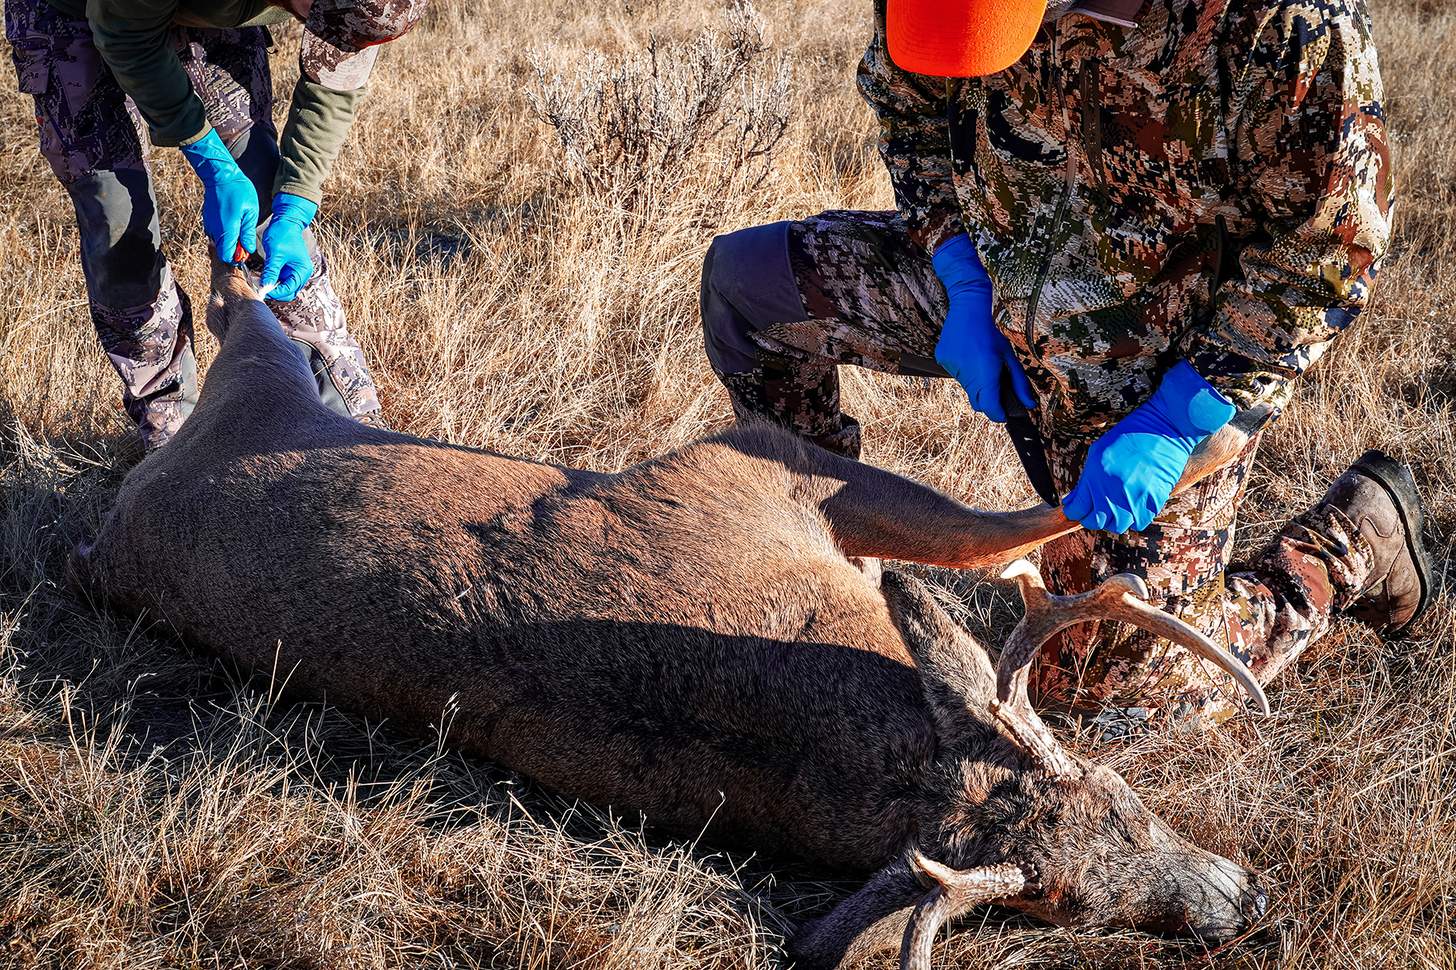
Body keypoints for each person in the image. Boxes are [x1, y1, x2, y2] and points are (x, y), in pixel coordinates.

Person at [699, 0, 1433, 732]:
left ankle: (1350, 543)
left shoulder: (1285, 23)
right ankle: (825, 576)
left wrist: (1184, 415)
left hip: (1160, 361)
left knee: (1102, 697)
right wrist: (957, 268)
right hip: (990, 274)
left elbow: (1328, 254)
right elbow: (910, 107)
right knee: (748, 287)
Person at [6, 0, 426, 451]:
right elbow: (124, 34)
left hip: (207, 21)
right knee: (119, 230)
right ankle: (176, 444)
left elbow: (335, 84)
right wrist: (212, 163)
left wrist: (297, 204)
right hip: (76, 16)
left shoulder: (363, 10)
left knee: (264, 194)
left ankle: (342, 429)